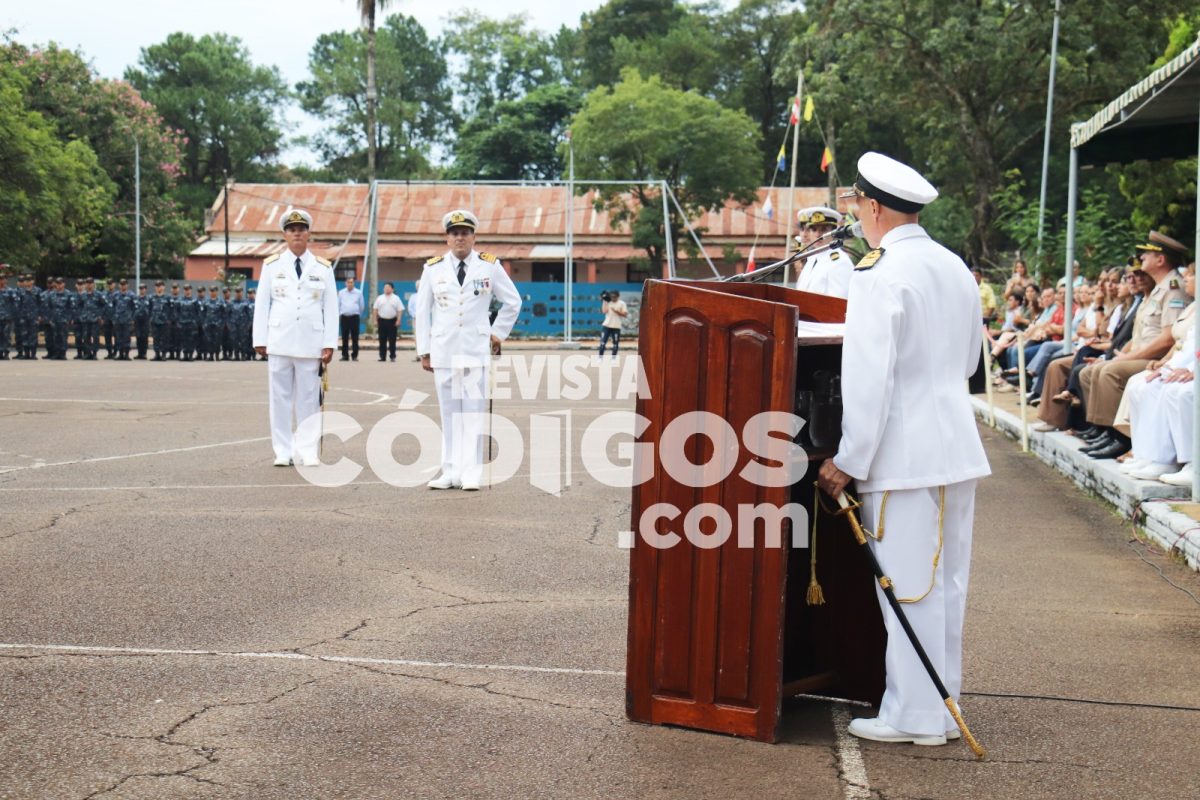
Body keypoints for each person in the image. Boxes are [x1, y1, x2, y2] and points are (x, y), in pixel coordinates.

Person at [817, 152, 990, 747]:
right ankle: (940, 707)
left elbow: (870, 380)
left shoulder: (878, 271)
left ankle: (915, 716)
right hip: (955, 445)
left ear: (870, 206)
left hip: (905, 453)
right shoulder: (951, 265)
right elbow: (969, 363)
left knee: (909, 586)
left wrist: (848, 460)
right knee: (947, 584)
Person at [414, 209, 522, 491]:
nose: (459, 238)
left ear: (474, 237)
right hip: (444, 350)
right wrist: (424, 350)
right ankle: (449, 471)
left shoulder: (489, 266)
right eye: (454, 233)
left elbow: (513, 301)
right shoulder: (432, 268)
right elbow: (422, 312)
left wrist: (497, 333)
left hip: (475, 349)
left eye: (465, 233)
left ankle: (471, 472)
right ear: (447, 238)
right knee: (449, 414)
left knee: (473, 413)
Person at [252, 208, 338, 467]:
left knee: (309, 400)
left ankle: (307, 450)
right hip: (279, 341)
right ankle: (283, 450)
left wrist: (329, 343)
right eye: (292, 230)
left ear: (308, 233)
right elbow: (262, 303)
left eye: (301, 229)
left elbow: (331, 308)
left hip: (311, 343)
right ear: (285, 234)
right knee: (279, 399)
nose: (297, 233)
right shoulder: (272, 265)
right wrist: (260, 338)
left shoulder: (323, 267)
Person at [794, 206, 855, 298]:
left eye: (824, 229)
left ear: (834, 232)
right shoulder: (812, 259)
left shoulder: (840, 262)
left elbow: (840, 303)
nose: (818, 234)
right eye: (814, 229)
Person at [372, 282, 403, 362]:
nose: (387, 289)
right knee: (382, 339)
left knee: (392, 340)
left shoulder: (396, 298)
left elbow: (399, 310)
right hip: (382, 320)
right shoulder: (380, 298)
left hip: (392, 321)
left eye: (388, 287)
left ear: (392, 289)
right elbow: (375, 309)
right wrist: (375, 320)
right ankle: (382, 356)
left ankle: (392, 356)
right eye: (385, 287)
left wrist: (398, 320)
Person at [338, 275, 365, 361]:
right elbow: (338, 304)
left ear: (354, 283)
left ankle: (354, 355)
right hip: (344, 317)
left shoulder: (358, 293)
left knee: (355, 337)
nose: (350, 284)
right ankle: (345, 355)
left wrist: (357, 314)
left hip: (354, 317)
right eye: (348, 282)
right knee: (344, 337)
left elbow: (362, 306)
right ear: (345, 283)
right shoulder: (341, 292)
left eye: (351, 282)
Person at [599, 290, 627, 358]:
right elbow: (604, 311)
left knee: (615, 344)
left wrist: (616, 311)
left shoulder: (622, 303)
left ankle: (613, 359)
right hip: (606, 325)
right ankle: (600, 358)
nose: (613, 298)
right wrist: (604, 300)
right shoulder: (608, 302)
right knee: (602, 343)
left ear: (618, 297)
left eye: (615, 297)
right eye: (612, 297)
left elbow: (625, 314)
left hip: (616, 326)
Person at [0, 269, 13, 359]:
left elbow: (14, 303)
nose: (2, 280)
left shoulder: (10, 291)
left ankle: (6, 352)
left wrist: (12, 315)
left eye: (4, 278)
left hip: (7, 317)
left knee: (7, 335)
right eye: (1, 278)